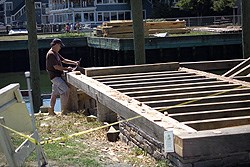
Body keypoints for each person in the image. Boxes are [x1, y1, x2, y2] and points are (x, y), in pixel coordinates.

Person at [46, 38, 80, 115]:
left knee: (54, 93)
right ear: (56, 45)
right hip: (55, 77)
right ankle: (64, 111)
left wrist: (74, 63)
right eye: (60, 45)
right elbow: (56, 67)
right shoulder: (51, 54)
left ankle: (51, 111)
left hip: (55, 77)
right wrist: (67, 68)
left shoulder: (55, 53)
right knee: (66, 90)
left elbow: (64, 60)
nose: (60, 47)